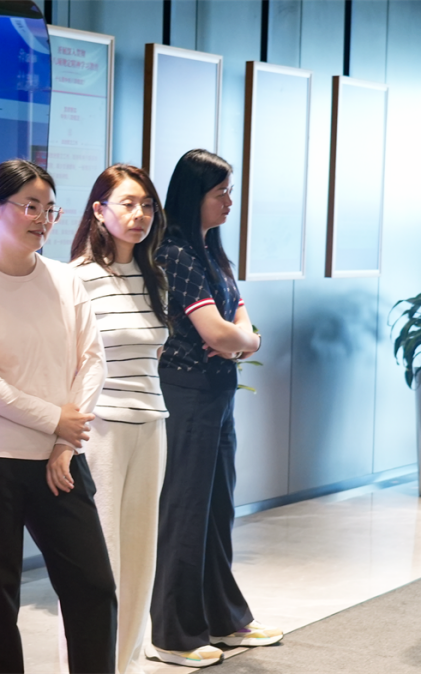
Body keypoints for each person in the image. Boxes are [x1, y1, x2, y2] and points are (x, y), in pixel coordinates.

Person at [0, 159, 117, 674]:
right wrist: (54, 420)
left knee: (94, 588)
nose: (42, 219)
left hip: (60, 462)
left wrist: (65, 441)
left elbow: (93, 361)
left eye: (49, 209)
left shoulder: (67, 280)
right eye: (30, 207)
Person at [148, 149, 282, 668]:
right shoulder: (176, 253)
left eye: (229, 191)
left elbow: (239, 322)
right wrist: (244, 340)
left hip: (218, 391)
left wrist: (241, 340)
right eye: (220, 192)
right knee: (185, 512)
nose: (229, 201)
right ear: (193, 195)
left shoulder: (212, 252)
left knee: (217, 510)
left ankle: (223, 619)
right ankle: (174, 634)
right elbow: (219, 332)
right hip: (188, 393)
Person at [69, 164, 170, 674]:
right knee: (101, 558)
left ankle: (126, 663)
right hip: (101, 427)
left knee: (140, 556)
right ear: (99, 210)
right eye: (128, 204)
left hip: (151, 422)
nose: (139, 215)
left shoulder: (155, 278)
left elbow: (152, 357)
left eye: (147, 205)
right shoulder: (77, 277)